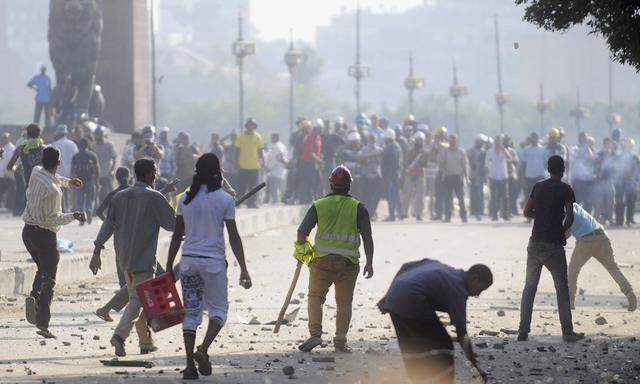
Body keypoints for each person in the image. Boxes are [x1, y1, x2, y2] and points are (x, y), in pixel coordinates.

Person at [166, 153, 252, 380]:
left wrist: (167, 267)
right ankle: (203, 349)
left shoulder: (184, 199)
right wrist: (243, 268)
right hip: (213, 263)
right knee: (218, 311)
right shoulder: (224, 199)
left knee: (191, 314)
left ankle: (189, 367)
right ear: (218, 172)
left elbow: (176, 237)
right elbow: (234, 237)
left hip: (189, 263)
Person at [90, 159, 176, 356]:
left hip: (124, 260)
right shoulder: (154, 197)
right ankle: (119, 336)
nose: (156, 175)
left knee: (144, 298)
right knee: (139, 301)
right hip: (143, 261)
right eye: (154, 172)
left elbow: (107, 225)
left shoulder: (120, 196)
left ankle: (145, 342)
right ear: (148, 175)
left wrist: (96, 251)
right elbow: (172, 224)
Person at [296, 165, 374, 353]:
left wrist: (303, 251)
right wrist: (369, 263)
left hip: (321, 262)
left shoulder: (319, 205)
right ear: (349, 186)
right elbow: (367, 237)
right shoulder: (358, 207)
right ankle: (340, 340)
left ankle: (315, 334)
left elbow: (302, 232)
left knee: (315, 297)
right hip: (348, 264)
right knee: (344, 302)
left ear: (331, 184)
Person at [378, 260, 492, 384]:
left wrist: (387, 297)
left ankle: (417, 379)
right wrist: (475, 365)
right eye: (480, 289)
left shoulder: (445, 269)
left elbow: (405, 267)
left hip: (394, 299)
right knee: (444, 346)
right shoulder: (458, 289)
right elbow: (461, 332)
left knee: (411, 347)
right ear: (474, 279)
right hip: (413, 300)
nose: (478, 294)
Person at [518, 155, 584, 342]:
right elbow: (570, 217)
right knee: (562, 288)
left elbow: (526, 212)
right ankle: (567, 332)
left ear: (548, 169)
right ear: (563, 170)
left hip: (535, 243)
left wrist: (541, 217)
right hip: (553, 246)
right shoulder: (566, 189)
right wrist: (560, 230)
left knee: (529, 287)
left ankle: (523, 331)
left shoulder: (538, 186)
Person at [22, 147, 85, 339]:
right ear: (58, 162)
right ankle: (43, 323)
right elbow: (49, 219)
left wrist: (69, 183)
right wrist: (73, 215)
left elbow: (52, 177)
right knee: (49, 279)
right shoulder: (53, 191)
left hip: (27, 233)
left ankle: (34, 295)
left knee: (42, 267)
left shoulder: (35, 171)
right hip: (44, 235)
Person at [566, 202, 637, 311]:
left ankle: (570, 302)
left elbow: (566, 232)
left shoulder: (562, 211)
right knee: (613, 269)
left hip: (586, 241)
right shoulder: (574, 205)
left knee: (573, 270)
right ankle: (630, 293)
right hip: (602, 237)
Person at [234, 118, 264, 208]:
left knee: (253, 186)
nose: (251, 127)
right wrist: (236, 162)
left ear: (255, 126)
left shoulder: (258, 137)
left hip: (254, 166)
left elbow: (260, 151)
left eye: (253, 125)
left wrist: (263, 161)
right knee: (241, 186)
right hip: (243, 166)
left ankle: (252, 203)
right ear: (246, 126)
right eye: (249, 125)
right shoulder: (241, 137)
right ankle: (239, 202)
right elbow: (237, 151)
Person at [438, 134, 468, 223]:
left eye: (454, 140)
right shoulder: (444, 152)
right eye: (451, 140)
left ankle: (463, 217)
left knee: (461, 199)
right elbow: (440, 164)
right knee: (448, 199)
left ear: (456, 141)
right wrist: (444, 171)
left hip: (458, 177)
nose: (452, 142)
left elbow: (464, 166)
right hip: (448, 178)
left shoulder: (461, 152)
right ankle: (448, 217)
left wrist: (467, 178)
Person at [71, 138, 100, 225]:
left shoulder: (76, 156)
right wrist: (97, 181)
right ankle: (89, 209)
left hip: (79, 181)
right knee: (90, 199)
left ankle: (82, 218)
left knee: (79, 200)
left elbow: (72, 170)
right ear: (88, 145)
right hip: (90, 180)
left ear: (79, 146)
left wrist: (72, 181)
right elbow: (97, 169)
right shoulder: (92, 155)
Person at [51, 125, 79, 211]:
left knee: (60, 192)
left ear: (58, 134)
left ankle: (63, 209)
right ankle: (70, 208)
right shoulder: (72, 144)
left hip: (58, 172)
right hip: (70, 172)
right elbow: (76, 158)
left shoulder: (54, 144)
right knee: (70, 192)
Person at [485, 135, 511, 221]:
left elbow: (510, 158)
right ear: (494, 142)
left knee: (505, 196)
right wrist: (487, 174)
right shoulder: (490, 151)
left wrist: (504, 150)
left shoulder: (504, 151)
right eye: (496, 141)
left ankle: (505, 215)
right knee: (493, 197)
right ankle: (494, 215)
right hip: (493, 176)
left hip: (503, 176)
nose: (498, 143)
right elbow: (486, 164)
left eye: (499, 141)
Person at [298, 120, 323, 204]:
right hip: (306, 162)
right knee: (309, 181)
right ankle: (308, 198)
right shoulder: (310, 137)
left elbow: (318, 151)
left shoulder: (318, 137)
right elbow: (310, 152)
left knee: (317, 180)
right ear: (315, 128)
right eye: (319, 128)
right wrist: (319, 161)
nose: (320, 130)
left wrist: (319, 161)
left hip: (314, 162)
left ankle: (313, 196)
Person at [358, 134, 383, 219]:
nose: (373, 140)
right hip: (367, 175)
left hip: (377, 176)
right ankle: (368, 213)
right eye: (371, 139)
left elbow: (382, 160)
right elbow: (360, 159)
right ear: (369, 139)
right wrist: (369, 157)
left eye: (374, 139)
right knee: (367, 196)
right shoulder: (364, 149)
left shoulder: (380, 150)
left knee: (377, 196)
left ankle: (372, 213)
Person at [520, 133, 547, 208]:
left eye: (535, 138)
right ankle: (529, 215)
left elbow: (545, 163)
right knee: (529, 195)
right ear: (531, 139)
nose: (534, 140)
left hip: (540, 175)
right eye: (533, 138)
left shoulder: (542, 149)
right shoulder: (526, 149)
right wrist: (522, 176)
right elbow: (523, 163)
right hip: (529, 176)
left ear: (538, 139)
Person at [91, 126, 118, 203]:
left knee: (109, 192)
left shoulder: (109, 145)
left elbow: (114, 158)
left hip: (107, 173)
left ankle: (110, 209)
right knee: (98, 193)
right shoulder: (93, 146)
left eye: (97, 134)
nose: (96, 136)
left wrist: (112, 170)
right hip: (96, 174)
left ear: (102, 134)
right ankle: (100, 210)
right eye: (95, 134)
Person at [381, 128, 401, 221]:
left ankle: (392, 214)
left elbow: (385, 161)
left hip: (390, 175)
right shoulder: (397, 146)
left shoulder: (389, 148)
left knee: (391, 195)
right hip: (396, 174)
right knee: (395, 194)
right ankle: (398, 213)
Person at [467, 134, 487, 220]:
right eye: (480, 142)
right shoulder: (470, 151)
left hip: (481, 175)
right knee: (473, 193)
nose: (482, 143)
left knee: (480, 193)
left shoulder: (484, 151)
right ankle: (473, 210)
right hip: (473, 174)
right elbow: (468, 162)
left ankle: (480, 210)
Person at [264, 133, 288, 204]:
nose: (271, 139)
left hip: (275, 172)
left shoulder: (276, 147)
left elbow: (275, 159)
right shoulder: (283, 146)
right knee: (281, 190)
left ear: (275, 138)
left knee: (274, 191)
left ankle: (276, 204)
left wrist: (268, 168)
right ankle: (280, 203)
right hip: (282, 171)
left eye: (272, 138)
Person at [0, 133, 16, 210]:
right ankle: (8, 205)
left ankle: (10, 206)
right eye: (3, 138)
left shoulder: (11, 147)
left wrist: (7, 171)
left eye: (5, 138)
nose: (4, 139)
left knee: (10, 189)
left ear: (9, 138)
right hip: (2, 173)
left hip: (8, 172)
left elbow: (10, 161)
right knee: (3, 189)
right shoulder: (3, 147)